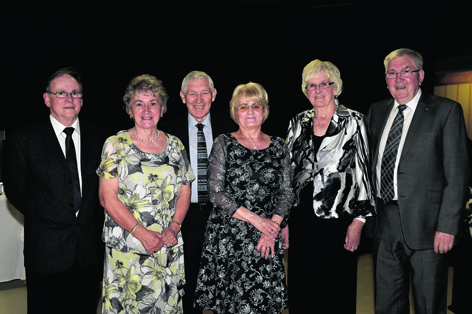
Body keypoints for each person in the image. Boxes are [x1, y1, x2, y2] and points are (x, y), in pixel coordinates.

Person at [366, 48, 470, 314]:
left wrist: (448, 227)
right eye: (392, 73)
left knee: (428, 303)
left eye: (406, 71)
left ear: (420, 75)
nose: (399, 78)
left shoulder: (446, 111)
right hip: (384, 222)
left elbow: (457, 175)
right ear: (386, 79)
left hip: (429, 225)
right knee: (387, 304)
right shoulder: (376, 112)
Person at [3, 67, 109, 314]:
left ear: (82, 99)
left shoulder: (103, 139)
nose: (69, 99)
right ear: (47, 98)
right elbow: (15, 190)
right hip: (45, 249)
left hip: (89, 251)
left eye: (75, 93)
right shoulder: (24, 140)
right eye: (61, 93)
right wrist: (51, 216)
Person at [97, 74, 194, 313]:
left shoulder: (175, 145)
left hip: (167, 245)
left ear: (163, 108)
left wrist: (174, 227)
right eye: (139, 103)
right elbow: (106, 197)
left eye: (153, 103)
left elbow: (184, 190)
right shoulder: (115, 144)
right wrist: (142, 233)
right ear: (129, 110)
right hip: (129, 251)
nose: (147, 109)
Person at [194, 82, 293, 314]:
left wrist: (272, 229)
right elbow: (216, 193)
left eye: (255, 105)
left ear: (264, 110)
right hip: (230, 239)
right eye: (243, 107)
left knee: (264, 305)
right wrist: (259, 222)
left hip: (267, 238)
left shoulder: (280, 146)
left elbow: (287, 192)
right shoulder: (223, 143)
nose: (249, 112)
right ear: (234, 112)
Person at [285, 59, 375, 314]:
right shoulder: (297, 122)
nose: (317, 90)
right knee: (303, 292)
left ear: (336, 87)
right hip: (302, 221)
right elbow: (288, 173)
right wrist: (284, 221)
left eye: (324, 83)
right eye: (311, 85)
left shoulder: (355, 121)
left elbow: (363, 173)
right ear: (305, 90)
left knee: (336, 293)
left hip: (339, 219)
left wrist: (359, 222)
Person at [159, 70, 236, 314]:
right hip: (184, 218)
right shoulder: (166, 132)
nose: (199, 99)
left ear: (214, 95)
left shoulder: (231, 127)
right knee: (188, 287)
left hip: (224, 217)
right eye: (192, 93)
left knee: (224, 285)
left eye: (204, 92)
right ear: (182, 97)